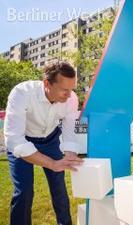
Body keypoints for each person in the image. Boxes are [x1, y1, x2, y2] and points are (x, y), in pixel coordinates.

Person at [4, 62, 83, 225]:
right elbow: (14, 140)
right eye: (64, 90)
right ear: (47, 83)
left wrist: (69, 155)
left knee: (59, 189)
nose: (70, 95)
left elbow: (68, 133)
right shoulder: (21, 93)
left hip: (51, 140)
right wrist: (52, 163)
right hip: (22, 140)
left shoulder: (71, 99)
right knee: (24, 191)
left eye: (72, 89)